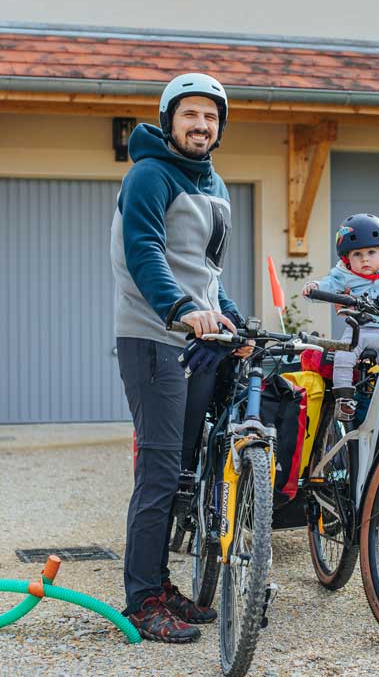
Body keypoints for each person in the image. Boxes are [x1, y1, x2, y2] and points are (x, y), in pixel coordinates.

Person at [110, 72, 249, 643]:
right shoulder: (149, 175)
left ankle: (162, 586)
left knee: (184, 474)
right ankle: (142, 599)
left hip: (196, 341)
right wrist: (179, 309)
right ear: (169, 121)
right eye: (190, 114)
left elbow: (207, 276)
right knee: (160, 472)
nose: (201, 125)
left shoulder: (214, 184)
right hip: (154, 337)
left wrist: (233, 321)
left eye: (211, 117)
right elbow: (143, 252)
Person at [302, 213, 379, 420]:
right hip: (358, 329)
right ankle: (344, 399)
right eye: (357, 254)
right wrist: (315, 287)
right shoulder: (344, 275)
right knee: (343, 357)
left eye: (371, 252)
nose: (365, 259)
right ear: (347, 259)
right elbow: (329, 284)